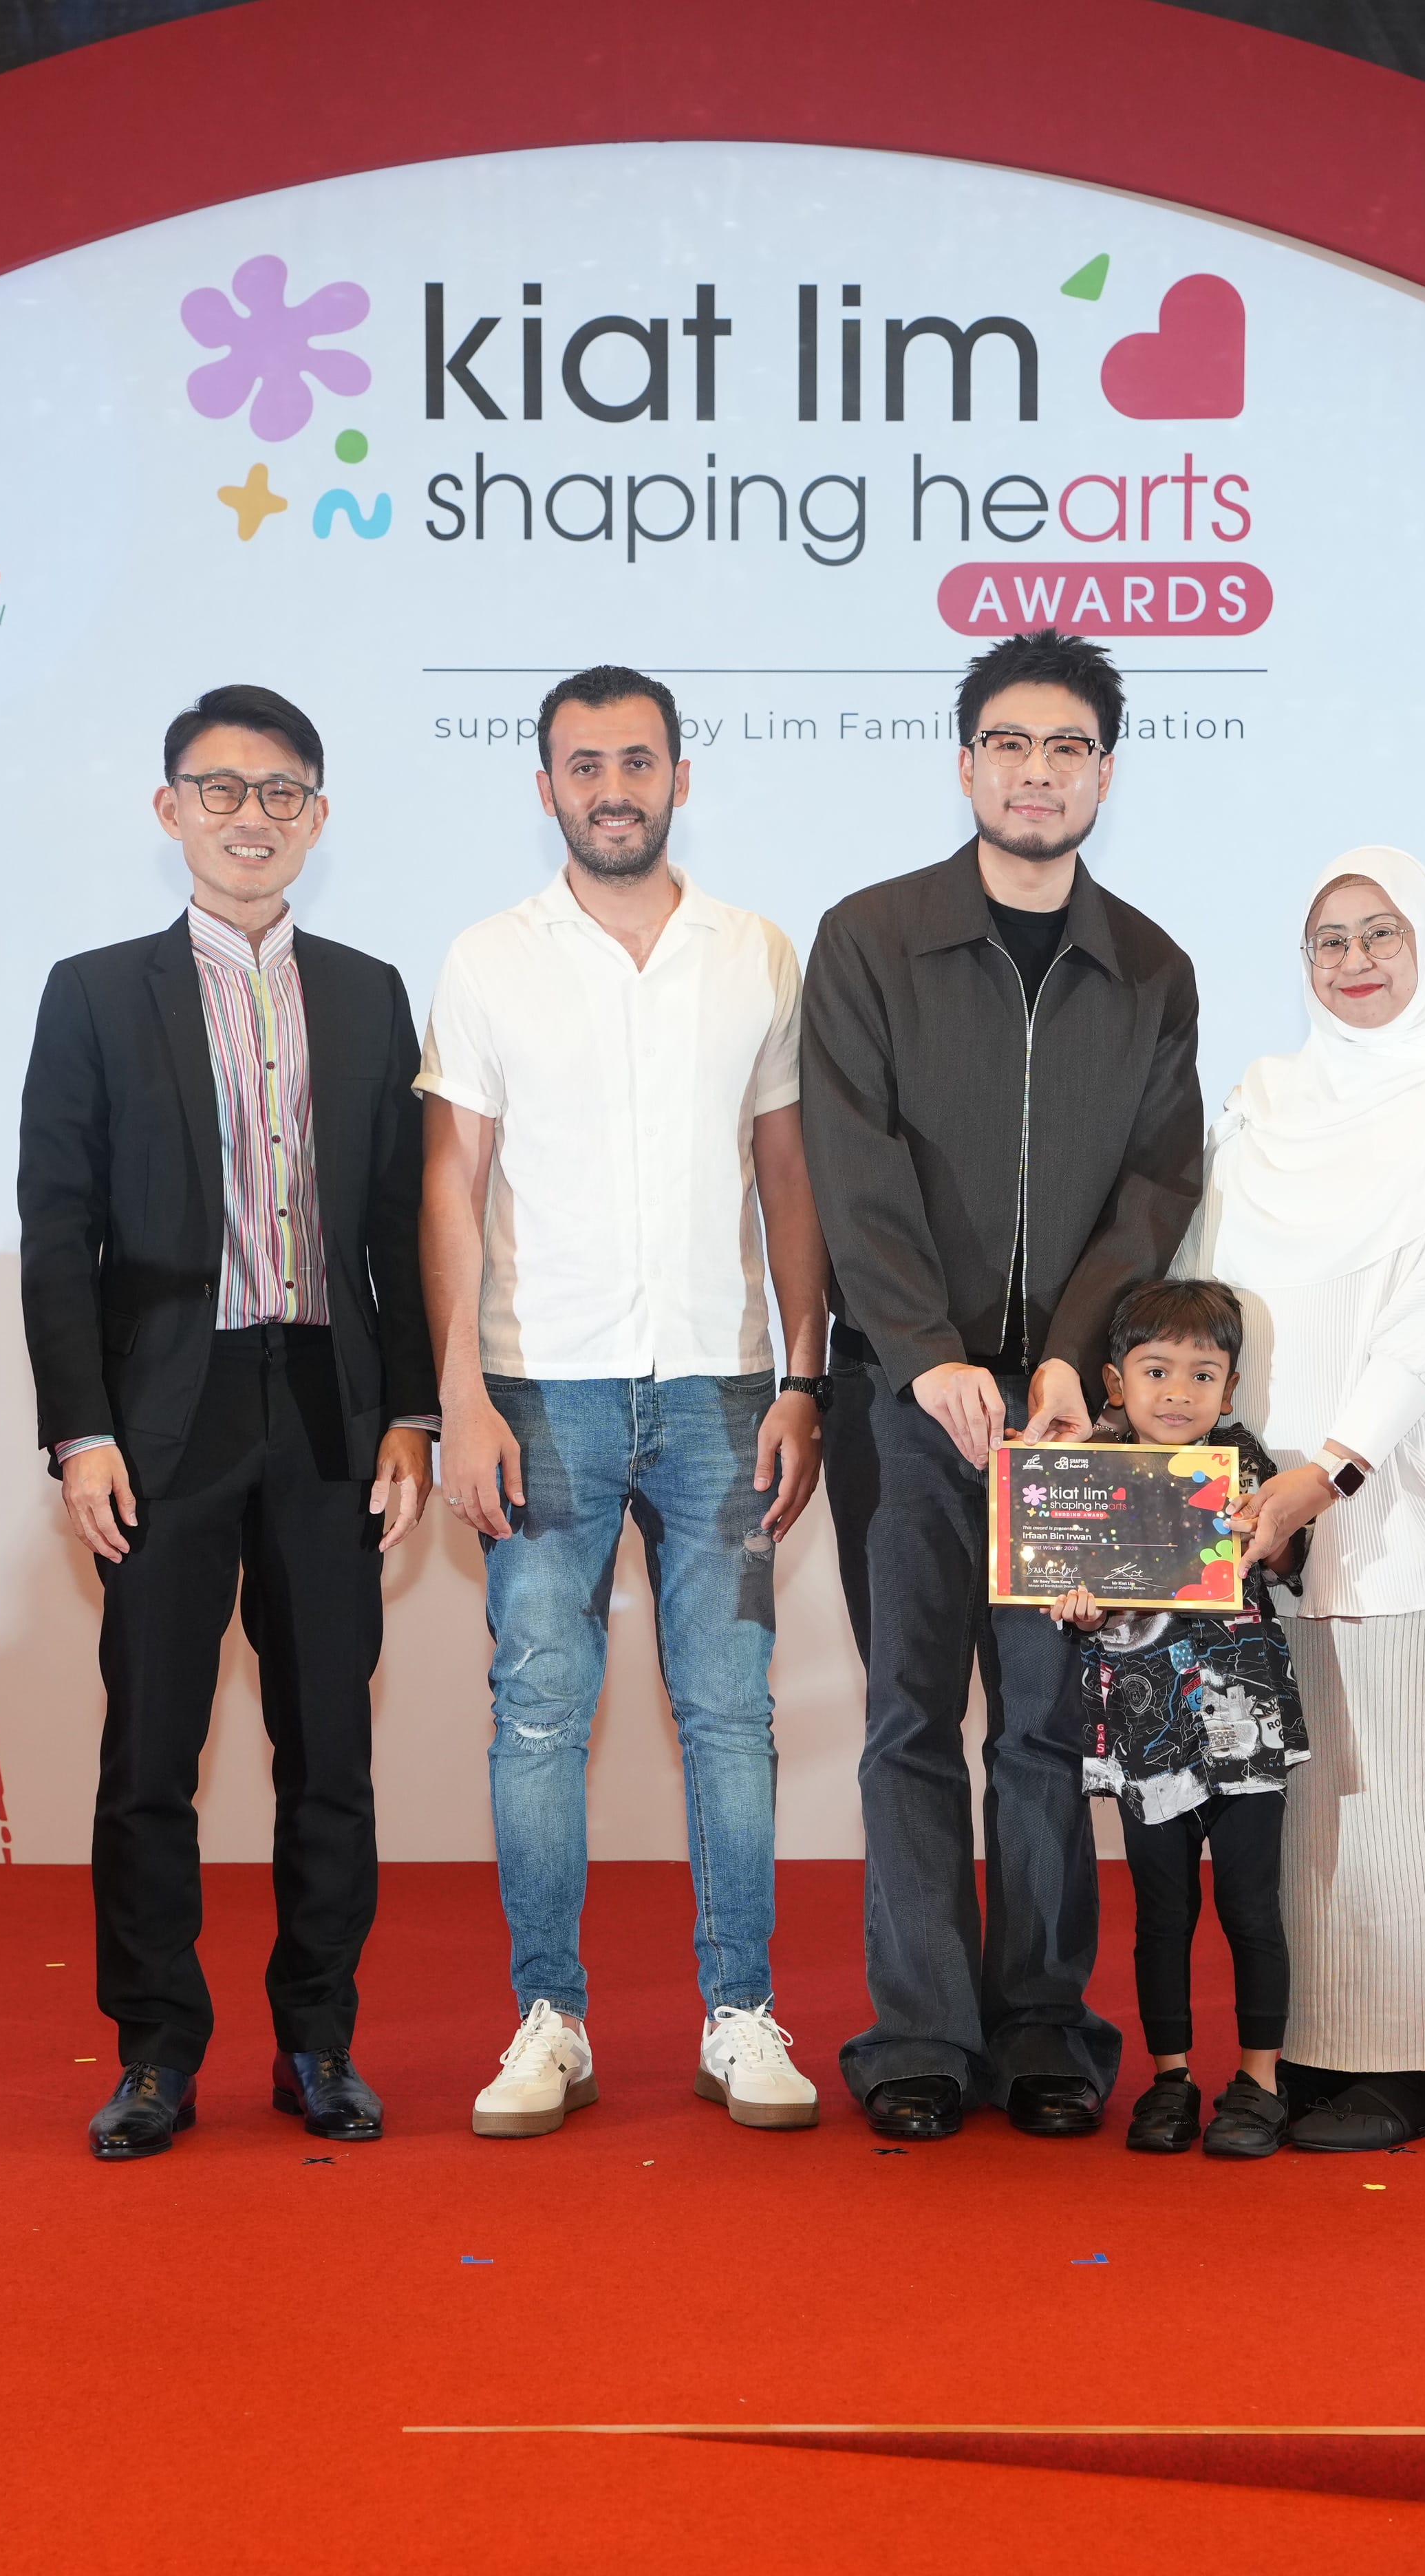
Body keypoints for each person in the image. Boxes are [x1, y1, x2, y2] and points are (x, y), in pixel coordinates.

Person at [17, 683, 436, 2162]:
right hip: (165, 1421)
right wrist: (82, 1432)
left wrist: (416, 1415)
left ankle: (318, 2043)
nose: (249, 817)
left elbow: (400, 1226)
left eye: (279, 793)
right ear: (169, 810)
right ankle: (155, 2054)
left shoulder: (376, 994)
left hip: (329, 1408)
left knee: (332, 1751)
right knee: (152, 1758)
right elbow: (54, 1232)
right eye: (219, 789)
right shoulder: (93, 993)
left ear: (318, 818)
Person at [802, 627, 1205, 2143]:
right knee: (910, 1719)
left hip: (1071, 1424)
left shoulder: (1151, 966)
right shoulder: (869, 940)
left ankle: (1043, 2023)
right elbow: (854, 1169)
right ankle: (918, 2030)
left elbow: (1161, 1185)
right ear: (966, 761)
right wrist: (929, 1359)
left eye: (1069, 750)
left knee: (1043, 1728)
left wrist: (1062, 1361)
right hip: (902, 1409)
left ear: (1106, 769)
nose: (1039, 775)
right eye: (1012, 747)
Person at [419, 665, 832, 2138]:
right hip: (542, 1387)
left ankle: (740, 2015)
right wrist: (459, 1395)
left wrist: (805, 1375)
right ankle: (551, 2019)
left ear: (679, 776)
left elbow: (788, 1176)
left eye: (637, 761)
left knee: (730, 1715)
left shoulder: (757, 955)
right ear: (544, 786)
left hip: (726, 1388)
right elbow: (452, 1183)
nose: (613, 786)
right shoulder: (488, 959)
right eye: (584, 763)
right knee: (538, 1713)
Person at [1188, 846, 1425, 2153]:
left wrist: (1327, 1467)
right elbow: (1205, 1274)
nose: (1355, 962)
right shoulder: (1270, 1094)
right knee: (1278, 1773)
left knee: (1381, 1768)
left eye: (1381, 933)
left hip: (1371, 1486)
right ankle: (1307, 2050)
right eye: (1328, 940)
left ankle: (1403, 2070)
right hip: (1244, 1487)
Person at [1046, 1278, 1309, 2160]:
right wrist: (1077, 1608)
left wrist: (1259, 1531)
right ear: (1116, 1383)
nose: (1177, 1392)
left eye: (1202, 1376)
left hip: (1243, 1727)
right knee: (1162, 1915)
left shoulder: (1248, 1469)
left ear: (1229, 1392)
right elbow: (1063, 1594)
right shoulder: (1094, 1477)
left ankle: (1262, 2080)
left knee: (1250, 1909)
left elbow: (1288, 1550)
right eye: (1156, 1371)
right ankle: (1170, 2077)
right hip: (1144, 1735)